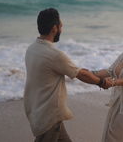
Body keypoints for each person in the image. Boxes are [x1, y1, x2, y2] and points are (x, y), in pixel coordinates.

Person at [24, 8, 102, 142]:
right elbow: (81, 75)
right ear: (54, 28)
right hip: (49, 116)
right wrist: (102, 82)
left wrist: (88, 72)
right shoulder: (54, 55)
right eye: (61, 25)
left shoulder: (32, 49)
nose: (62, 28)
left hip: (38, 111)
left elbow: (75, 70)